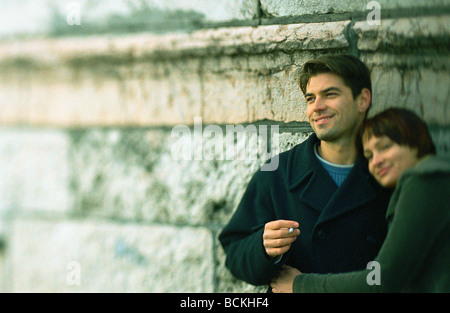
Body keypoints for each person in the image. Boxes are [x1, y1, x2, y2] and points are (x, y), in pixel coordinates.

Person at [218, 54, 392, 288]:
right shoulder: (277, 174)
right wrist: (263, 247)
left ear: (362, 100)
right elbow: (234, 252)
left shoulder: (389, 175)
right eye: (310, 98)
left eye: (330, 94)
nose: (317, 107)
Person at [270, 108, 450, 293]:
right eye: (369, 156)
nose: (376, 161)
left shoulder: (423, 180)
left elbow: (381, 280)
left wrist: (299, 285)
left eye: (385, 147)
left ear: (415, 141)